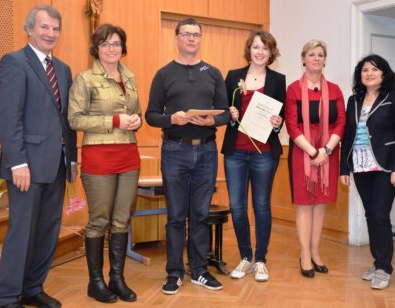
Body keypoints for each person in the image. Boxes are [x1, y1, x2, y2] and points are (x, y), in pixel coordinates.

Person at [0, 4, 77, 308]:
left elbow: (66, 119)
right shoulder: (14, 62)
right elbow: (7, 118)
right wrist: (18, 162)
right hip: (26, 166)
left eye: (55, 29)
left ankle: (32, 288)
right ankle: (5, 297)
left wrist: (71, 160)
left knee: (47, 231)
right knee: (21, 233)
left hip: (56, 165)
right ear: (29, 29)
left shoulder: (64, 69)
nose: (50, 34)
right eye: (44, 27)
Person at [145, 18, 230, 295]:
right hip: (175, 151)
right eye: (186, 34)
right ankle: (174, 272)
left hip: (206, 150)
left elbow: (226, 112)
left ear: (200, 38)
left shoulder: (214, 73)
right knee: (175, 216)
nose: (191, 38)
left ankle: (199, 271)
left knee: (200, 215)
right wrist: (173, 119)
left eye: (196, 34)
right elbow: (152, 116)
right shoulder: (164, 74)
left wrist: (212, 122)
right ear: (177, 37)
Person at [68, 24, 141, 303]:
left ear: (123, 47)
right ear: (96, 48)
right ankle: (95, 282)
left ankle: (117, 279)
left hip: (128, 155)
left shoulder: (130, 77)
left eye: (117, 43)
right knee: (99, 221)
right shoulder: (84, 79)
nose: (112, 48)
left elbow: (137, 113)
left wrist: (136, 120)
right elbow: (74, 120)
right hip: (99, 156)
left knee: (122, 220)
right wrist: (114, 121)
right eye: (106, 43)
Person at [340, 54, 395, 290]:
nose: (368, 74)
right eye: (364, 70)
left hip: (386, 166)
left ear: (384, 73)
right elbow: (347, 137)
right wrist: (345, 167)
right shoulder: (353, 100)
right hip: (361, 165)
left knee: (380, 214)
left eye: (374, 69)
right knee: (371, 214)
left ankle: (384, 267)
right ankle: (378, 261)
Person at [221, 30, 285, 282]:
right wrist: (230, 113)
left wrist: (278, 123)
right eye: (256, 47)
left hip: (264, 153)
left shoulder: (279, 80)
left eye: (265, 48)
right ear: (250, 50)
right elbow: (222, 110)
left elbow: (281, 118)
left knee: (261, 206)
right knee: (237, 208)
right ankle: (245, 257)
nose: (260, 52)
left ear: (271, 53)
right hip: (235, 151)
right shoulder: (233, 76)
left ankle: (261, 260)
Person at [284, 39, 346, 278]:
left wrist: (327, 150)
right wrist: (313, 151)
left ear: (325, 60)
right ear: (303, 59)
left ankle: (316, 251)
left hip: (328, 153)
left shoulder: (336, 90)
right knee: (304, 204)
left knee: (320, 204)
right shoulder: (293, 90)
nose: (316, 58)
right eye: (312, 54)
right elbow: (291, 125)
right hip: (302, 153)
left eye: (321, 54)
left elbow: (341, 122)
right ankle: (304, 254)